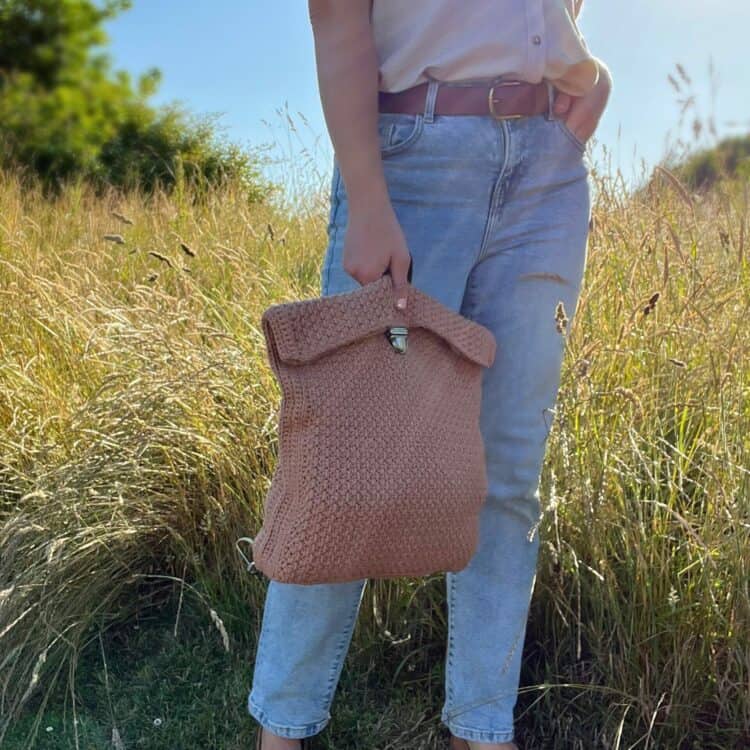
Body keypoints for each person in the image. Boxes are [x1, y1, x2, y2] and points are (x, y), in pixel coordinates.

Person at [248, 1, 612, 748]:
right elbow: (337, 14)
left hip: (548, 173)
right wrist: (369, 199)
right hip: (413, 156)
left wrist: (591, 77)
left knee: (508, 473)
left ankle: (482, 728)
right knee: (345, 462)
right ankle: (283, 728)